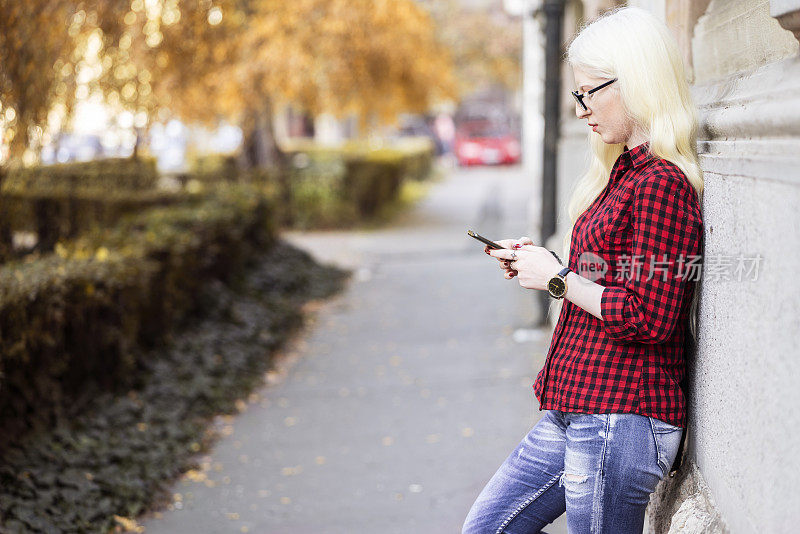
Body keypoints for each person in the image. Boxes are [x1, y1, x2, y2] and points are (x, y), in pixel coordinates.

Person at [462, 6, 705, 534]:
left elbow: (652, 315)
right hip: (580, 404)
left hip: (621, 416)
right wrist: (544, 265)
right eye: (578, 95)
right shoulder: (622, 172)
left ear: (636, 79)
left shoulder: (661, 181)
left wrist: (558, 280)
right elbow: (613, 276)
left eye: (590, 92)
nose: (581, 110)